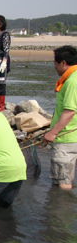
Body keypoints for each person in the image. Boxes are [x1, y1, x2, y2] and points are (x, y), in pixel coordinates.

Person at [43, 45, 77, 190]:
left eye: (55, 63)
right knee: (67, 177)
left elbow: (69, 111)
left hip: (66, 138)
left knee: (62, 182)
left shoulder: (71, 82)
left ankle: (61, 211)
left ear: (63, 62)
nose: (55, 67)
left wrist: (53, 132)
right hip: (72, 137)